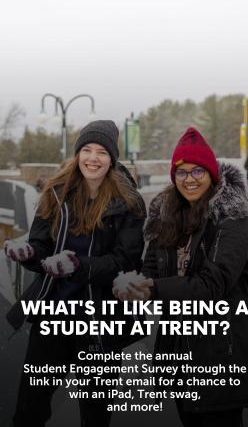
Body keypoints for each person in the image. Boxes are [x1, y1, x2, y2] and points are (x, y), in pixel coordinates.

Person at [114, 127, 248, 427]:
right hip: (181, 350)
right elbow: (153, 269)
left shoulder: (232, 220)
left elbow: (213, 285)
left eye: (198, 170)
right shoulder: (167, 217)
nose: (190, 179)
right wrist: (133, 285)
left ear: (212, 173)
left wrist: (152, 289)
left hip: (224, 351)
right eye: (181, 172)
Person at [4, 120, 146, 427]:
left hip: (100, 319)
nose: (93, 158)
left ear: (112, 158)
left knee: (95, 412)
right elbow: (40, 245)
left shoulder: (129, 202)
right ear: (77, 153)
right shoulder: (56, 191)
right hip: (53, 313)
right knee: (30, 406)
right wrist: (29, 253)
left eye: (101, 152)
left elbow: (126, 260)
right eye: (86, 150)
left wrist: (79, 266)